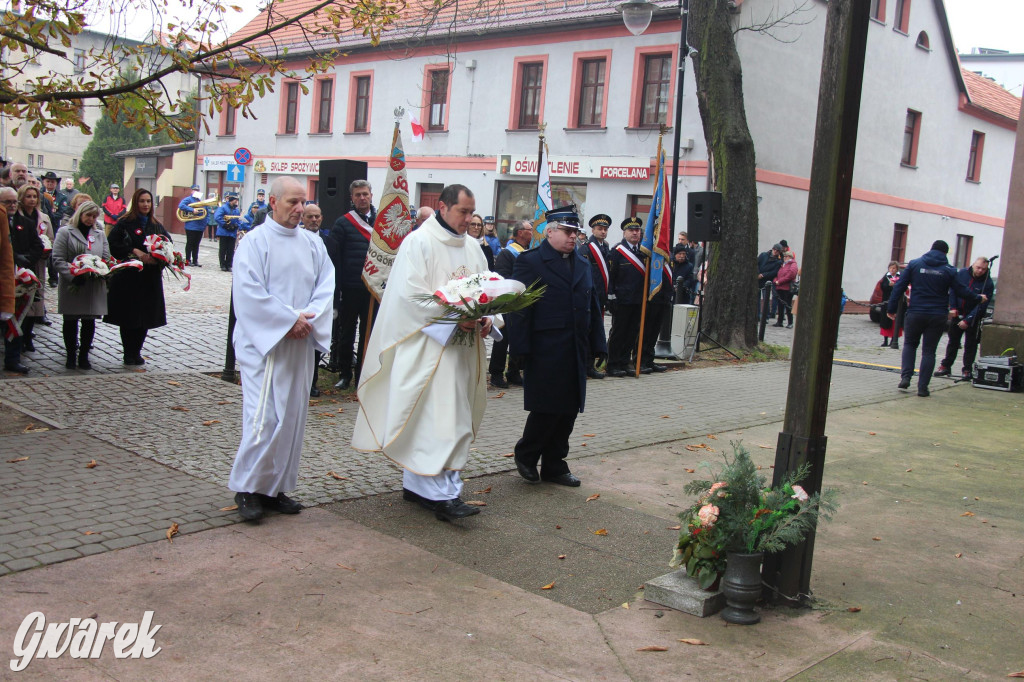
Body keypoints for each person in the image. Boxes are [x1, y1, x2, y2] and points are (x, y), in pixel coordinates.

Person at [353, 184, 497, 523]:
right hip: (430, 348)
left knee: (449, 418)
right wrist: (453, 319)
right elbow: (407, 297)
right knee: (439, 422)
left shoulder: (474, 247)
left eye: (471, 212)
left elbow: (487, 287)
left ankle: (417, 485)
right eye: (463, 211)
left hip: (462, 352)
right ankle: (443, 496)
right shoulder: (418, 242)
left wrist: (490, 316)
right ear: (443, 207)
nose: (468, 219)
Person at [228, 177, 335, 522]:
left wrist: (308, 320)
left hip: (300, 344)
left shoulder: (313, 244)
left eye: (303, 202)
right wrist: (289, 320)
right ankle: (247, 488)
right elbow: (248, 293)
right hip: (266, 346)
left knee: (291, 418)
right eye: (292, 202)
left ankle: (274, 488)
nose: (300, 209)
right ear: (272, 202)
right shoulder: (255, 243)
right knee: (264, 418)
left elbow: (325, 287)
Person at [507, 205, 607, 487]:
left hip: (575, 347)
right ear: (548, 231)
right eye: (567, 231)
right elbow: (520, 308)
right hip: (545, 347)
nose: (573, 237)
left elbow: (592, 305)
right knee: (546, 407)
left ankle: (554, 464)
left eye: (575, 232)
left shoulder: (583, 262)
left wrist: (599, 343)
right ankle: (527, 455)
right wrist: (520, 350)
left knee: (569, 410)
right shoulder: (531, 261)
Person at [887, 240, 986, 397]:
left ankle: (905, 377)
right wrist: (978, 298)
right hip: (937, 315)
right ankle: (923, 388)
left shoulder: (914, 264)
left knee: (910, 345)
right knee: (929, 351)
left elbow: (899, 287)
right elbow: (961, 290)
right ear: (945, 253)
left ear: (931, 249)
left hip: (915, 313)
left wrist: (891, 308)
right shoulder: (949, 270)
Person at [104, 188, 172, 365]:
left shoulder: (156, 224)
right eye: (142, 201)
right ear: (136, 202)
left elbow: (168, 244)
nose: (146, 204)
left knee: (145, 316)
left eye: (148, 201)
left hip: (149, 278)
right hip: (129, 276)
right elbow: (113, 244)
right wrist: (134, 251)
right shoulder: (125, 222)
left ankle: (137, 351)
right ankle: (128, 352)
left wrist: (159, 256)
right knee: (129, 316)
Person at [324, 179, 377, 390]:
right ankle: (345, 374)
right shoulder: (343, 223)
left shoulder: (381, 221)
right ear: (352, 198)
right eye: (358, 195)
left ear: (371, 195)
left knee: (370, 333)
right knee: (347, 334)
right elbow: (333, 257)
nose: (362, 198)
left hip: (373, 289)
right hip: (350, 286)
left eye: (365, 194)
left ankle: (363, 375)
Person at [51, 201, 109, 370]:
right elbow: (58, 258)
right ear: (80, 214)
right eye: (88, 215)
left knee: (89, 320)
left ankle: (84, 355)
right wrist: (72, 275)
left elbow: (105, 256)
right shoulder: (65, 232)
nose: (90, 219)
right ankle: (70, 355)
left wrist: (99, 270)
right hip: (73, 283)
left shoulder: (99, 234)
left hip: (92, 283)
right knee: (70, 320)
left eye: (94, 216)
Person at [488, 219, 532, 388]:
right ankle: (496, 373)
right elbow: (501, 276)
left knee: (519, 338)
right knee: (503, 339)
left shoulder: (528, 251)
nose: (532, 232)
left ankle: (513, 371)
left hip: (523, 303)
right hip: (508, 303)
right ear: (520, 232)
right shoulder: (507, 253)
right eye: (529, 229)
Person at [935, 257, 995, 380]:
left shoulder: (987, 283)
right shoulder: (962, 274)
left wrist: (968, 320)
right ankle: (945, 366)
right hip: (958, 312)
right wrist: (953, 307)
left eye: (983, 269)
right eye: (978, 267)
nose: (980, 271)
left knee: (970, 344)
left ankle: (967, 369)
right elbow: (953, 290)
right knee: (953, 342)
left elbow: (982, 304)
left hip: (973, 316)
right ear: (973, 265)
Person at [4, 187, 42, 373]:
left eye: (13, 202)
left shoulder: (25, 223)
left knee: (17, 318)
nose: (11, 205)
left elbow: (38, 245)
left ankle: (13, 358)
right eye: (7, 202)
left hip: (20, 277)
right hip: (4, 276)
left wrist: (26, 261)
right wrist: (14, 257)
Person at [13, 184, 53, 352]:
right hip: (18, 264)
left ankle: (28, 335)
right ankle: (18, 336)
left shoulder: (42, 217)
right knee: (19, 299)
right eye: (28, 196)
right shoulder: (16, 218)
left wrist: (37, 255)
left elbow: (49, 238)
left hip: (37, 263)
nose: (32, 199)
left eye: (34, 196)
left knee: (35, 299)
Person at [606, 216, 645, 377]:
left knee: (632, 333)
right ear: (624, 233)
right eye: (631, 230)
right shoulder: (617, 252)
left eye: (637, 230)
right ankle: (612, 364)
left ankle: (624, 361)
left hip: (638, 299)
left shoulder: (643, 252)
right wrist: (611, 297)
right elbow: (611, 276)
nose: (635, 233)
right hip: (622, 300)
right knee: (618, 333)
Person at [301, 202, 327, 397]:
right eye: (310, 216)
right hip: (301, 301)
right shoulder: (298, 241)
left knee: (316, 342)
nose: (314, 220)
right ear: (303, 218)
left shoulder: (328, 240)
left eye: (317, 216)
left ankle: (313, 381)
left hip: (321, 299)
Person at [581, 213, 612, 379]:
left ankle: (592, 365)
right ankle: (586, 366)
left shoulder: (605, 248)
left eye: (605, 229)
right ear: (593, 229)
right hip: (589, 297)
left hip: (601, 297)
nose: (603, 232)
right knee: (588, 332)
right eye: (600, 229)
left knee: (597, 332)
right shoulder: (586, 248)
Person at [178, 184, 207, 267]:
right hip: (191, 225)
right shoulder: (188, 199)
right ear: (191, 191)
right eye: (194, 190)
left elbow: (206, 212)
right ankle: (188, 260)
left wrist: (205, 224)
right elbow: (181, 206)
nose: (196, 191)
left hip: (200, 226)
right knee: (190, 243)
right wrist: (192, 210)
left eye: (197, 190)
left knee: (197, 244)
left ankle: (195, 260)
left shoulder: (201, 201)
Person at [875, 261, 901, 347]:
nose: (892, 270)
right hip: (886, 301)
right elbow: (882, 286)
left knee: (894, 322)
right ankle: (885, 340)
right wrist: (889, 285)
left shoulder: (899, 277)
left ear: (897, 269)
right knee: (885, 321)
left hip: (896, 302)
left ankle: (893, 340)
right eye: (891, 268)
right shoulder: (886, 277)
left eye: (894, 268)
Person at [214, 193, 243, 271]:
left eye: (237, 200)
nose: (236, 202)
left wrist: (236, 225)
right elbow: (217, 217)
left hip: (232, 232)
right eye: (235, 200)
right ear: (231, 200)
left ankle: (229, 265)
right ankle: (222, 264)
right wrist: (225, 225)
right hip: (224, 231)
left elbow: (239, 219)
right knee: (223, 249)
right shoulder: (223, 208)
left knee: (231, 249)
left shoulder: (236, 210)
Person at [773, 250, 798, 328]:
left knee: (787, 305)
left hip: (787, 288)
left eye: (786, 256)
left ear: (790, 257)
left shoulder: (793, 264)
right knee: (780, 305)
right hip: (780, 287)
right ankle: (779, 321)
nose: (784, 258)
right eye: (784, 256)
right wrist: (775, 280)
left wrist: (779, 281)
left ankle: (790, 322)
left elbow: (790, 275)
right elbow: (778, 273)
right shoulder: (783, 265)